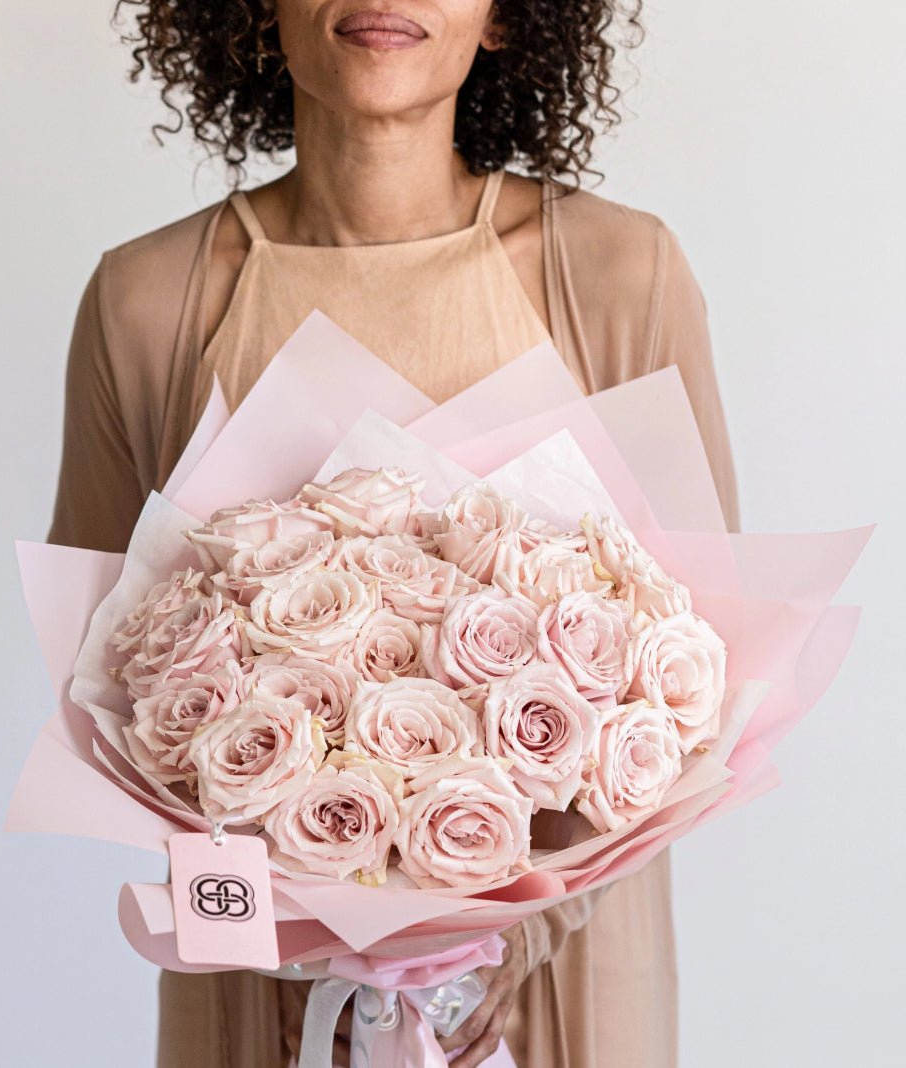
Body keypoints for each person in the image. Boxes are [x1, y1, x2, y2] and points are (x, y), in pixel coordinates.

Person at [46, 1, 739, 1065]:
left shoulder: (621, 275)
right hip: (261, 999)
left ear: (504, 16)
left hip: (565, 985)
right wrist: (296, 950)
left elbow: (704, 687)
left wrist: (506, 938)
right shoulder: (145, 303)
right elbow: (113, 711)